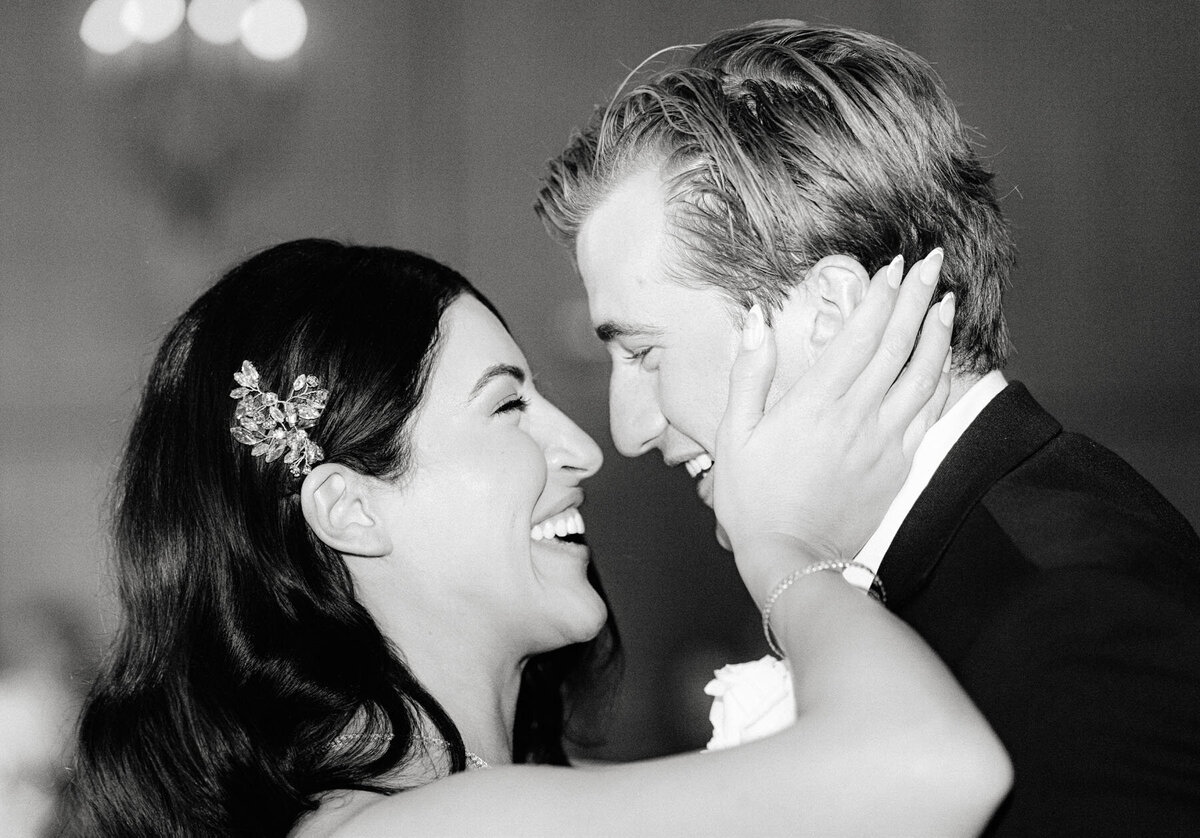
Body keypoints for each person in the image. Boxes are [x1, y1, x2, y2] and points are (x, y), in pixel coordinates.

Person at [63, 239, 1010, 836]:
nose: (583, 448)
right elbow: (933, 768)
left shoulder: (529, 794)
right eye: (507, 406)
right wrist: (784, 546)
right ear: (351, 509)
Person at [536, 18, 1200, 835]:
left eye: (643, 352)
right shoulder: (970, 558)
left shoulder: (1079, 622)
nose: (627, 430)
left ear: (830, 311)